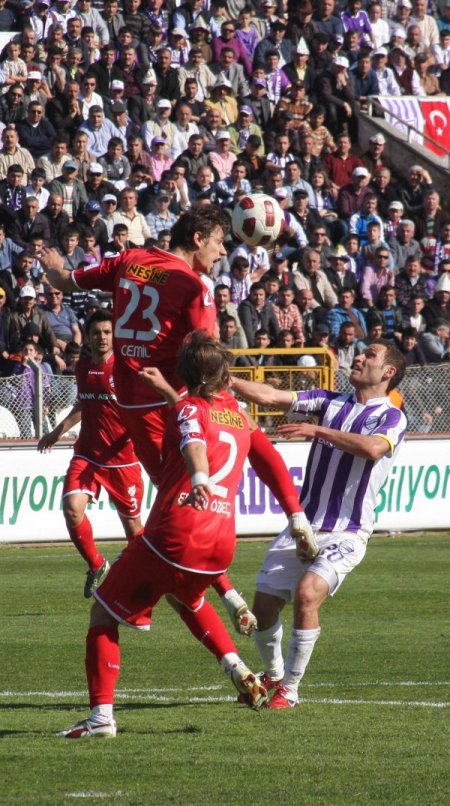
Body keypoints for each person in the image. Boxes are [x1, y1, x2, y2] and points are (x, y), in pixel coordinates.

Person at [41, 205, 314, 633]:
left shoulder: (129, 260)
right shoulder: (194, 286)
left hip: (136, 411)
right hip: (176, 402)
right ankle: (292, 519)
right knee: (244, 441)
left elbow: (62, 280)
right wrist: (232, 389)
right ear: (199, 238)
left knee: (183, 507)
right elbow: (206, 354)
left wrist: (55, 265)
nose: (222, 252)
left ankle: (227, 596)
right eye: (220, 242)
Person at [57, 332, 271, 739]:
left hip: (175, 531)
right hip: (221, 540)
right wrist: (295, 516)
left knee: (103, 613)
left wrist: (199, 477)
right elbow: (210, 427)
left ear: (186, 372)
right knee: (186, 597)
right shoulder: (237, 414)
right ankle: (236, 665)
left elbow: (192, 437)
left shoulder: (189, 408)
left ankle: (101, 717)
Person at [230, 339, 407, 708]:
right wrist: (225, 379)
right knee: (263, 607)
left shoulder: (391, 416)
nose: (359, 357)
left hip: (347, 531)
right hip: (304, 526)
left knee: (308, 593)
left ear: (388, 372)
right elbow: (271, 396)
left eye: (370, 355)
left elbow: (372, 448)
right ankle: (274, 674)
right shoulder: (329, 402)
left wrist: (319, 431)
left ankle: (290, 690)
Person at [37, 310, 144, 597]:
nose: (102, 337)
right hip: (87, 455)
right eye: (97, 333)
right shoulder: (83, 367)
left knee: (134, 532)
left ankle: (147, 582)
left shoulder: (125, 370)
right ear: (88, 337)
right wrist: (57, 431)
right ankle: (96, 564)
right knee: (72, 508)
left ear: (114, 336)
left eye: (107, 332)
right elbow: (84, 404)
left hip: (122, 460)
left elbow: (141, 410)